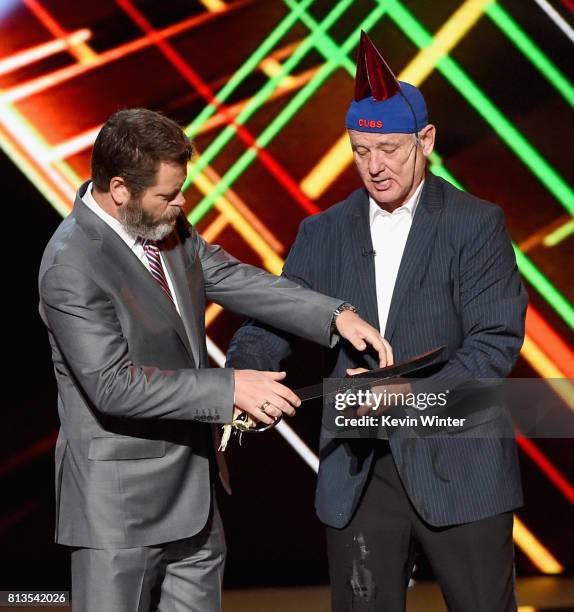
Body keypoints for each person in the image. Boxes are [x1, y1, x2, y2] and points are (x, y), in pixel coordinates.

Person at [38, 107, 392, 612]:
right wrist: (230, 389)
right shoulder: (70, 265)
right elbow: (113, 385)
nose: (182, 203)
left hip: (196, 500)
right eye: (168, 194)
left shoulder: (166, 228)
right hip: (120, 513)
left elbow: (233, 278)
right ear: (119, 190)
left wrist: (334, 316)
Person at [227, 32, 528, 611]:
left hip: (460, 467)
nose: (375, 166)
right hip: (361, 473)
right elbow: (274, 322)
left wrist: (406, 401)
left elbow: (492, 348)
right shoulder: (322, 233)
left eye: (389, 149)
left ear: (426, 140)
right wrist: (243, 375)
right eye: (361, 151)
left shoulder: (475, 224)